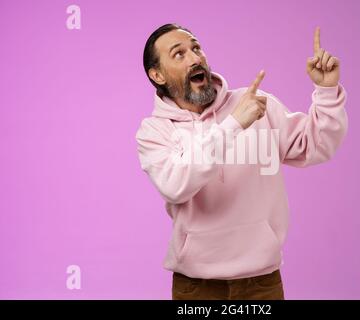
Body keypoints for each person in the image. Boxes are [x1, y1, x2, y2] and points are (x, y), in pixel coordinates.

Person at [136, 23, 348, 300]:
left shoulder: (257, 105)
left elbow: (316, 146)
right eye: (179, 54)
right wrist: (234, 124)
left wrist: (327, 91)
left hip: (261, 283)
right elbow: (175, 185)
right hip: (196, 287)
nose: (195, 58)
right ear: (158, 74)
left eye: (196, 48)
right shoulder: (154, 131)